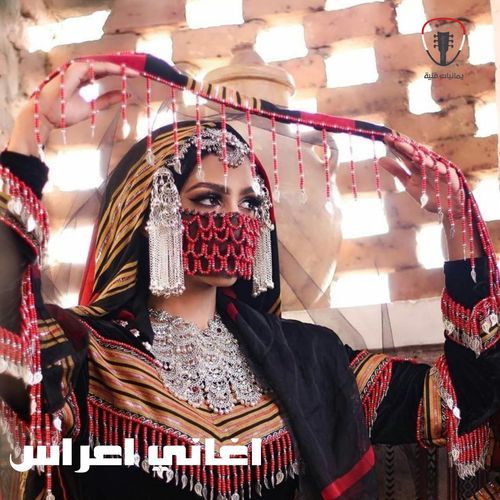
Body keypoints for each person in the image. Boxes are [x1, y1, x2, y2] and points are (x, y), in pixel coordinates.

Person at [0, 59, 498, 500]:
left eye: (250, 203)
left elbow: (457, 399)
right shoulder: (88, 354)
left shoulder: (307, 359)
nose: (235, 220)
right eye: (209, 199)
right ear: (150, 214)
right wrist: (28, 136)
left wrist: (458, 224)